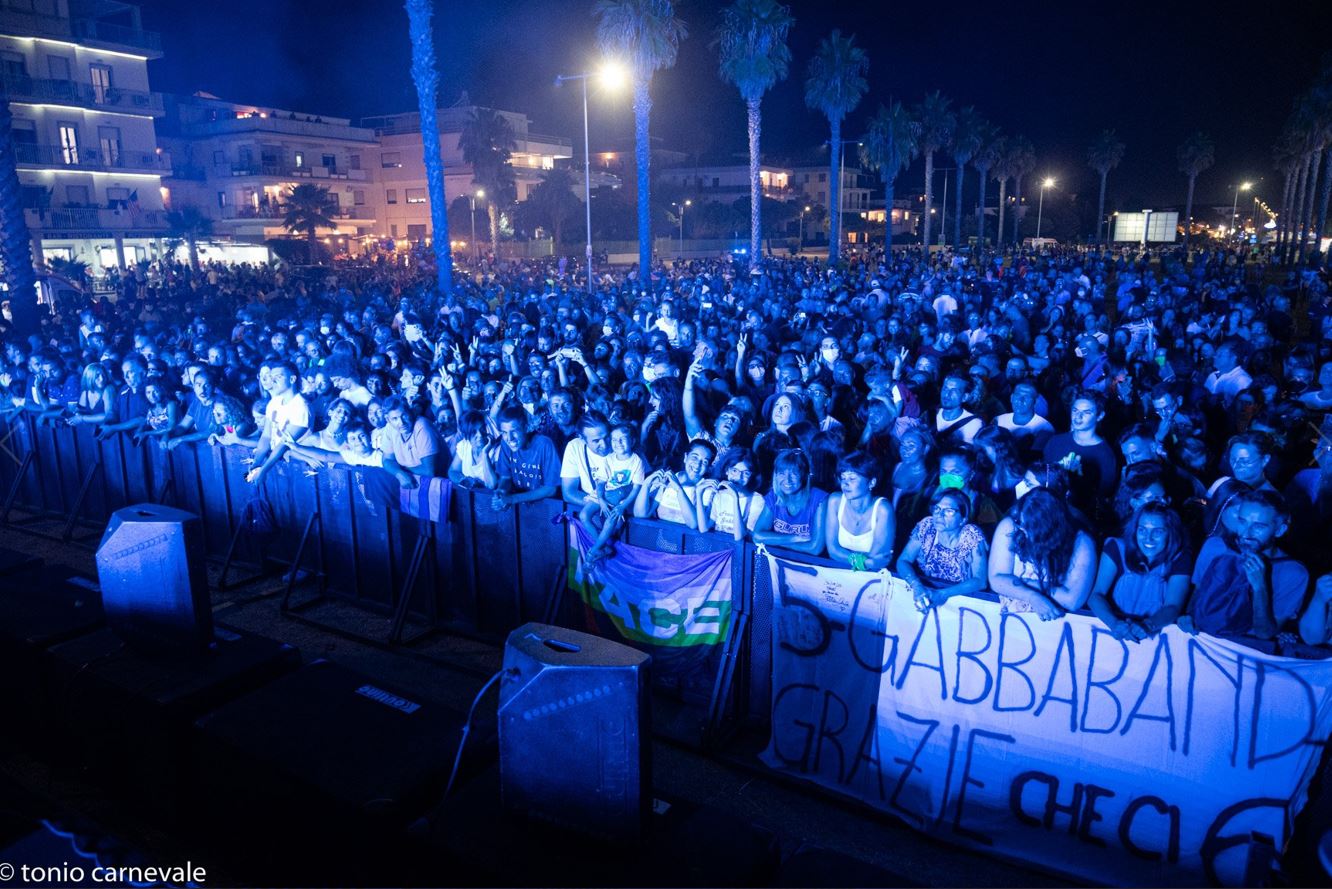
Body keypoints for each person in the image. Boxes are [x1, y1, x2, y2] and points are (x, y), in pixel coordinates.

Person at [1182, 489, 1308, 640]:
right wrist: (1188, 616)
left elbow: (1265, 633)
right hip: (1200, 637)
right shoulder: (1215, 546)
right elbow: (1197, 593)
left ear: (1279, 530)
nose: (1246, 534)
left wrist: (1260, 587)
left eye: (1258, 526)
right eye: (1242, 522)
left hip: (1243, 646)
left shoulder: (1293, 573)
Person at [988, 488, 1098, 619]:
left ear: (1050, 529)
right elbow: (996, 579)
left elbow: (1073, 600)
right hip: (1011, 619)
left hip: (1055, 621)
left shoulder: (1081, 542)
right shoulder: (1012, 526)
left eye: (1029, 527)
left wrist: (1022, 582)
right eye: (1021, 523)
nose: (1022, 530)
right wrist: (1032, 596)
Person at [1087, 503, 1192, 640]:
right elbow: (1096, 595)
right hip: (1114, 630)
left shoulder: (1180, 558)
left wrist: (1148, 625)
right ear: (1135, 530)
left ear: (1170, 533)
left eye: (1158, 531)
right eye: (1142, 530)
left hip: (1154, 634)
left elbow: (1173, 606)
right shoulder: (1115, 548)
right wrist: (1115, 624)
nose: (1148, 538)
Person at [896, 487, 990, 611]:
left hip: (962, 601)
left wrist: (942, 594)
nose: (939, 515)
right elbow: (903, 560)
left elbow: (980, 581)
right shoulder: (927, 526)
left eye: (949, 511)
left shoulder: (971, 535)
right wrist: (916, 585)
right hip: (926, 592)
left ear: (963, 519)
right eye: (937, 509)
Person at [582, 423, 646, 563]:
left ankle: (593, 551)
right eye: (614, 439)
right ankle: (603, 547)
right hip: (605, 495)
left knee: (611, 519)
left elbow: (636, 489)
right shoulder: (609, 459)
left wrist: (622, 506)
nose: (618, 443)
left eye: (623, 439)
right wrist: (601, 500)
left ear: (632, 441)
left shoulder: (637, 461)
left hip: (622, 499)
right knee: (584, 515)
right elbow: (601, 483)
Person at [824, 450, 895, 571]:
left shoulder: (883, 510)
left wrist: (862, 561)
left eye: (852, 478)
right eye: (843, 478)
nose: (845, 484)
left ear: (871, 482)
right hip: (839, 570)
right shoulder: (835, 501)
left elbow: (878, 560)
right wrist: (866, 562)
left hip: (871, 576)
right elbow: (833, 551)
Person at [751, 448, 827, 556]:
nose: (787, 480)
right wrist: (795, 538)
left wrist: (772, 541)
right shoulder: (773, 496)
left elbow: (815, 548)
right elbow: (757, 536)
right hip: (778, 560)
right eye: (782, 473)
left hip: (809, 563)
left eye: (794, 473)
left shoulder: (819, 499)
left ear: (805, 475)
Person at [490, 404, 561, 510]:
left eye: (514, 431)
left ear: (526, 428)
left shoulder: (544, 444)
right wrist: (501, 491)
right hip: (521, 509)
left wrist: (512, 499)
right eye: (504, 432)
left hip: (546, 509)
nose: (509, 438)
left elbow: (551, 489)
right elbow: (505, 477)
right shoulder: (505, 444)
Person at [633, 438, 714, 527]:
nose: (698, 464)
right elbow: (640, 514)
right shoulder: (667, 480)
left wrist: (679, 490)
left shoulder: (707, 489)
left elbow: (693, 524)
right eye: (694, 457)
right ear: (686, 457)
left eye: (705, 462)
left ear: (709, 467)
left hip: (686, 536)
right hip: (658, 534)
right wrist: (646, 485)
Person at [695, 447, 763, 541]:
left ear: (752, 476)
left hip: (740, 549)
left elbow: (739, 537)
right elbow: (704, 529)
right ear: (727, 470)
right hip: (719, 546)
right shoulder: (719, 495)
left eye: (746, 473)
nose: (739, 477)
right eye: (734, 470)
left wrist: (735, 498)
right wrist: (698, 494)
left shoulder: (757, 500)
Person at [449, 409, 495, 488]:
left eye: (482, 429)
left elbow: (492, 485)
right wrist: (464, 480)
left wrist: (485, 453)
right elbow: (452, 471)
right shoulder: (464, 445)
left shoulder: (495, 451)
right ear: (466, 434)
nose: (480, 435)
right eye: (474, 432)